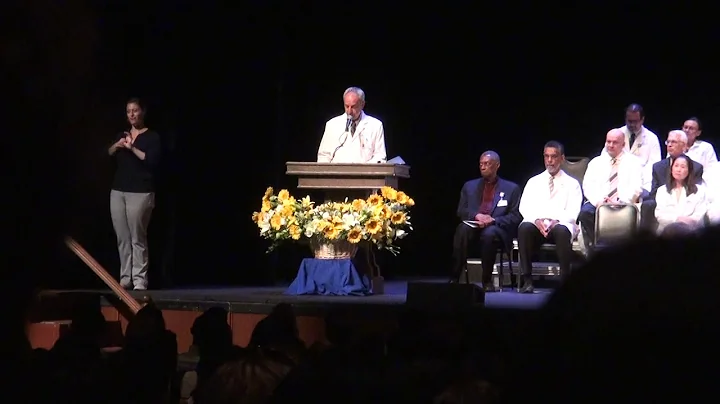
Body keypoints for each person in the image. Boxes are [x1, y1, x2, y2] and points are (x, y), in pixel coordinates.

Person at [107, 98, 162, 290]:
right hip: (118, 190)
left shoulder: (152, 137)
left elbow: (151, 161)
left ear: (142, 112)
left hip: (140, 192)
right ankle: (125, 278)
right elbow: (109, 152)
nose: (131, 114)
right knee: (122, 236)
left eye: (135, 110)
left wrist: (132, 148)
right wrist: (119, 145)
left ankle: (139, 279)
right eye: (128, 111)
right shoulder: (122, 135)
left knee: (137, 236)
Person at [517, 141, 583, 293]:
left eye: (553, 157)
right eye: (546, 156)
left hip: (560, 224)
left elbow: (574, 210)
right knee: (524, 228)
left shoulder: (572, 183)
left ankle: (564, 281)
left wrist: (555, 221)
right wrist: (537, 221)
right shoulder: (534, 181)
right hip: (538, 225)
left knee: (561, 230)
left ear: (561, 158)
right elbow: (524, 207)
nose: (550, 160)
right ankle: (527, 280)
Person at [451, 151, 522, 291]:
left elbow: (516, 216)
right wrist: (477, 216)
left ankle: (486, 281)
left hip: (497, 229)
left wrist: (493, 219)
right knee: (462, 229)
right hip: (474, 226)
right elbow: (461, 211)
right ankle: (455, 277)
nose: (483, 167)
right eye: (481, 164)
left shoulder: (511, 188)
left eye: (487, 164)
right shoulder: (469, 186)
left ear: (497, 165)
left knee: (489, 234)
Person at [578, 129, 644, 250]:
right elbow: (588, 186)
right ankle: (596, 247)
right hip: (599, 202)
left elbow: (637, 186)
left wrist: (621, 201)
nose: (611, 145)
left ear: (623, 144)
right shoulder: (596, 162)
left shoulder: (634, 162)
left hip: (624, 202)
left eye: (615, 142)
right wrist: (599, 202)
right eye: (608, 142)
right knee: (585, 213)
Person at [641, 130, 703, 231]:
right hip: (664, 205)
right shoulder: (658, 167)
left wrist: (686, 220)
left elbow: (697, 200)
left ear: (684, 145)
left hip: (688, 216)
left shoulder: (696, 168)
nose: (669, 145)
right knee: (648, 204)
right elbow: (654, 193)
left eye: (673, 142)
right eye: (668, 142)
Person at [316, 87, 387, 163]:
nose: (349, 111)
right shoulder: (332, 124)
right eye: (346, 106)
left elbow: (380, 157)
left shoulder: (375, 125)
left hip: (365, 173)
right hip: (337, 173)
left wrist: (363, 169)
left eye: (353, 107)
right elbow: (323, 156)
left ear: (362, 104)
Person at [654, 154, 708, 235]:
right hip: (667, 233)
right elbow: (660, 215)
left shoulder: (699, 190)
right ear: (671, 169)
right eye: (676, 166)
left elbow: (699, 214)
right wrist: (677, 219)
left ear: (689, 170)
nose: (678, 170)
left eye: (683, 167)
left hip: (691, 232)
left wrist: (686, 223)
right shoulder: (662, 190)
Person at [602, 103, 661, 174]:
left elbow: (655, 164)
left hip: (642, 177)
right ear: (625, 119)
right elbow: (604, 157)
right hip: (616, 175)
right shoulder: (616, 134)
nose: (632, 125)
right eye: (629, 121)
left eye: (635, 121)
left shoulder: (651, 138)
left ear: (642, 120)